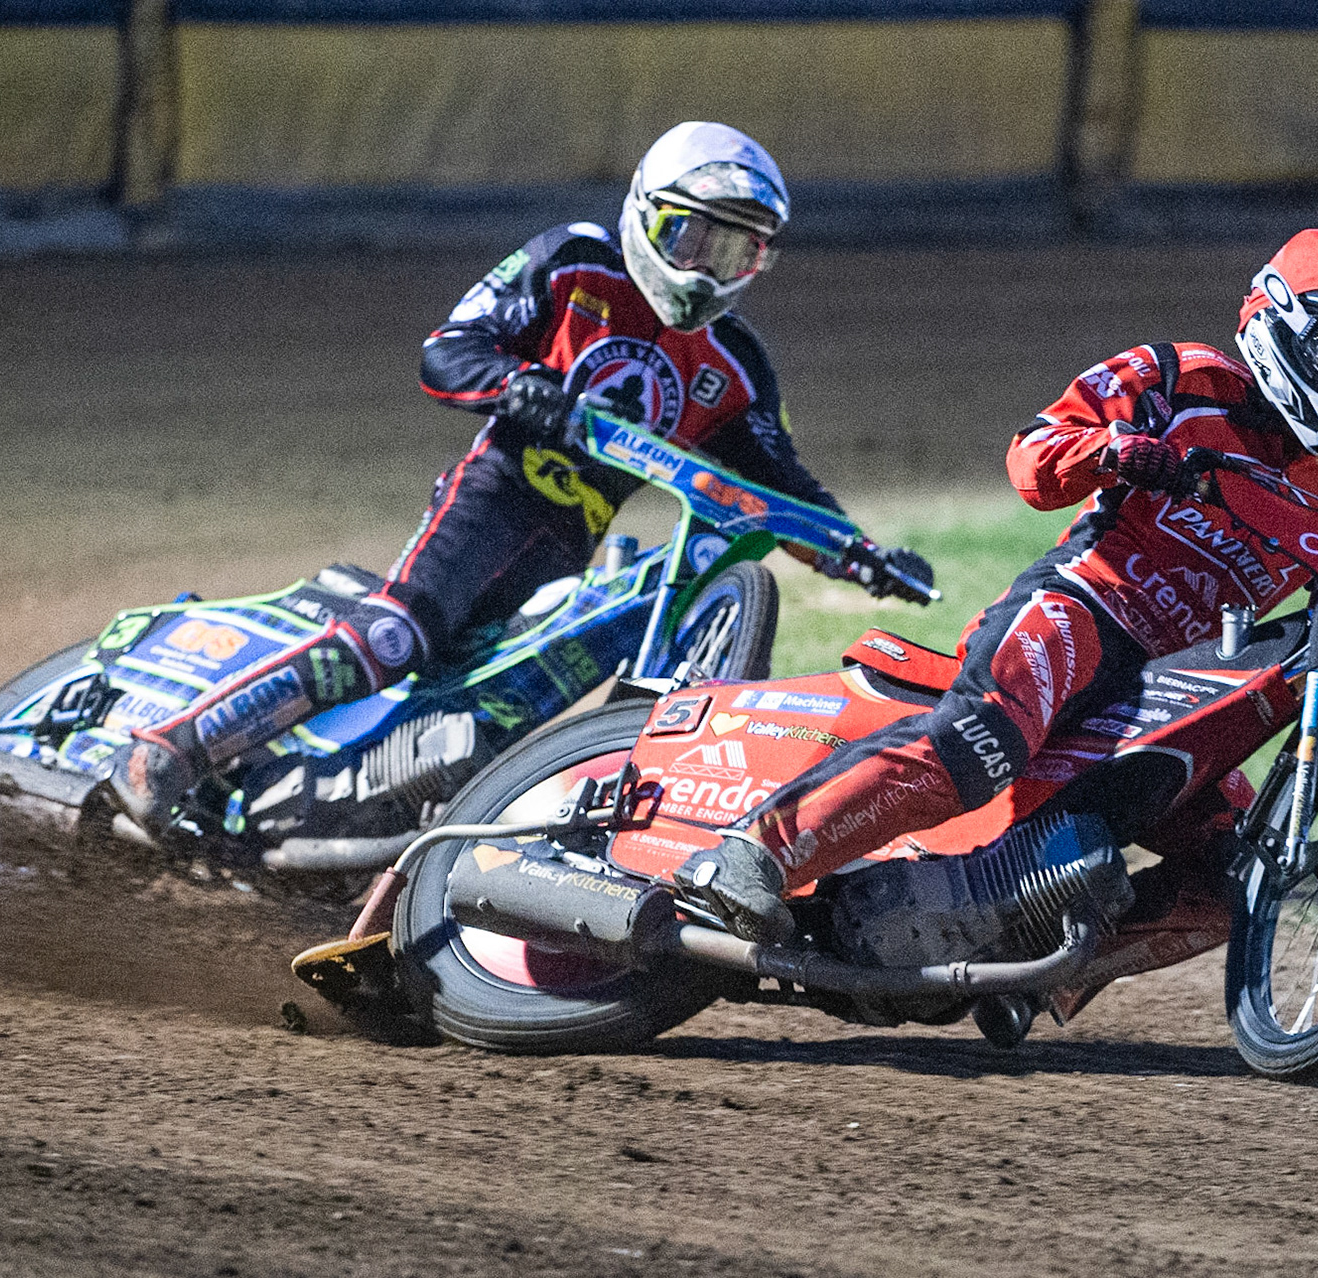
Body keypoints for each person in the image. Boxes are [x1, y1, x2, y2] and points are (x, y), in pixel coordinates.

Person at [108, 121, 924, 840]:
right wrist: (514, 386)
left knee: (504, 713)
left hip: (570, 547)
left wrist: (861, 552)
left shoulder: (735, 367)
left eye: (737, 251)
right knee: (399, 636)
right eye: (692, 241)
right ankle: (172, 748)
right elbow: (447, 350)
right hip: (493, 499)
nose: (707, 271)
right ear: (647, 214)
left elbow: (782, 487)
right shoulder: (573, 262)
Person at [676, 227, 1318, 943]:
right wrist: (1119, 454)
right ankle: (751, 856)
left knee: (1237, 879)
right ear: (1283, 320)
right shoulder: (1178, 377)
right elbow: (1033, 454)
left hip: (1185, 680)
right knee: (976, 742)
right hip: (1080, 609)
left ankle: (1037, 971)